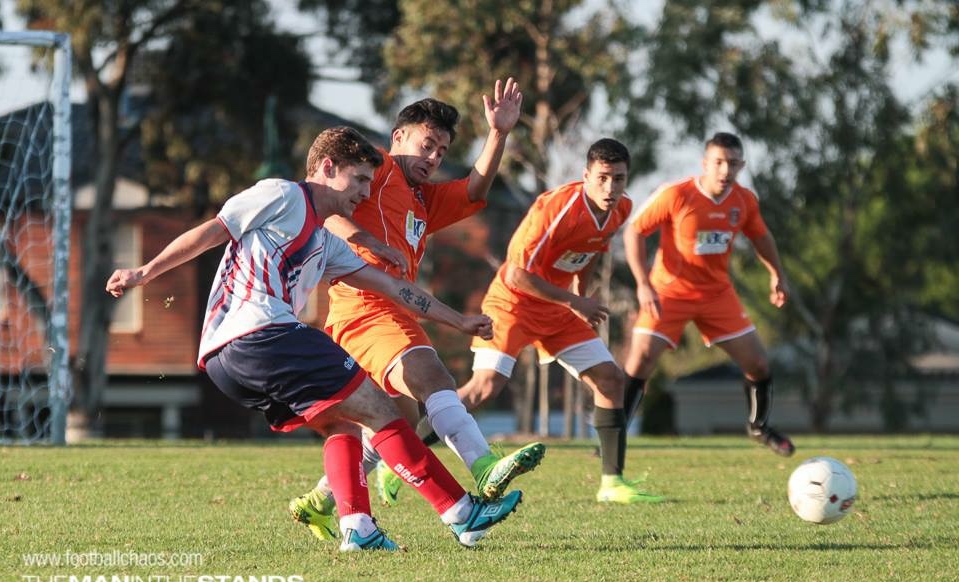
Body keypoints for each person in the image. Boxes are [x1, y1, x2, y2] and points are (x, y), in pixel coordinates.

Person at [105, 126, 523, 551]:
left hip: (223, 361)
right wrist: (145, 272)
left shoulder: (326, 244)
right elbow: (214, 230)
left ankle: (358, 528)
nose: (365, 191)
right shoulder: (283, 195)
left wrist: (459, 321)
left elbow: (395, 289)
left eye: (369, 182)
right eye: (359, 179)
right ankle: (462, 512)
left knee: (341, 421)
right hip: (263, 333)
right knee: (381, 408)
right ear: (327, 167)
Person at [293, 79, 544, 530]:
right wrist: (368, 240)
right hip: (366, 307)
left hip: (386, 311)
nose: (433, 158)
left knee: (395, 421)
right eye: (426, 145)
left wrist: (498, 134)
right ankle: (483, 466)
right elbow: (327, 211)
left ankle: (320, 501)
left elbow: (474, 190)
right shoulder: (377, 168)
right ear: (398, 137)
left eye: (442, 152)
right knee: (434, 378)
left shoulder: (423, 200)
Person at [451, 138, 664, 505]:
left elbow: (591, 250)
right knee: (484, 388)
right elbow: (517, 275)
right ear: (586, 176)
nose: (610, 188)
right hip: (512, 304)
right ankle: (404, 450)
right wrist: (575, 300)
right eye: (602, 178)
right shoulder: (557, 209)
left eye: (618, 178)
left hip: (557, 309)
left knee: (610, 379)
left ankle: (612, 483)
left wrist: (579, 296)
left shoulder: (621, 208)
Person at [622, 132, 795, 456]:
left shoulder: (744, 201)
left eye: (732, 163)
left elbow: (761, 237)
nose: (725, 170)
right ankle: (614, 437)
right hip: (668, 292)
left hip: (716, 295)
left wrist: (777, 274)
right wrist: (642, 283)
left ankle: (759, 427)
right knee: (641, 358)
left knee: (758, 363)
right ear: (705, 163)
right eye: (718, 162)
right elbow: (634, 230)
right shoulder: (676, 194)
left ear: (742, 165)